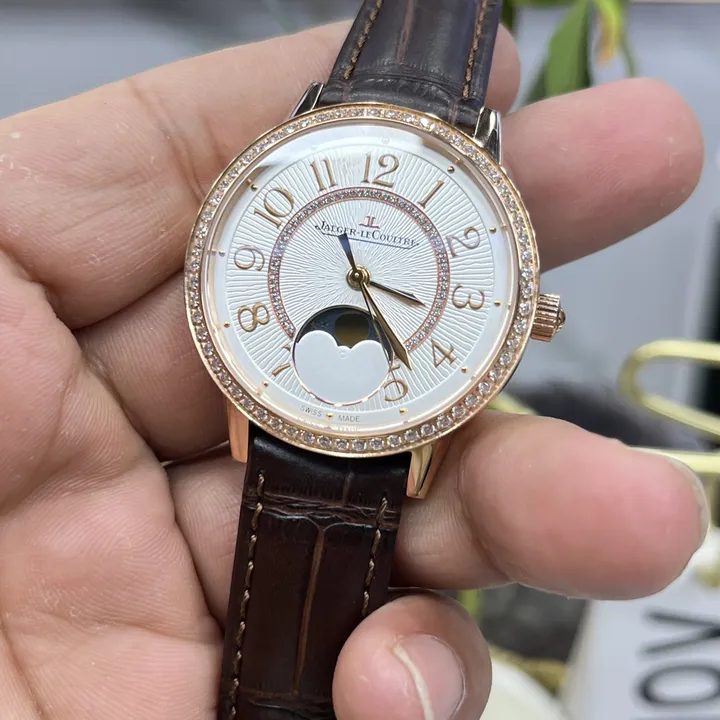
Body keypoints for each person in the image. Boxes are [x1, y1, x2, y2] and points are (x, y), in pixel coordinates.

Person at [0, 21, 708, 720]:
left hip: (373, 427)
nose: (361, 276)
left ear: (526, 314)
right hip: (279, 402)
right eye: (357, 272)